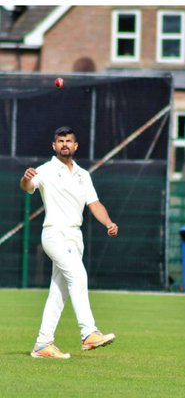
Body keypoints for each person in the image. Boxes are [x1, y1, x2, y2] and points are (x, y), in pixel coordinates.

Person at [20, 126, 119, 359]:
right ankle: (89, 333)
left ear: (76, 146)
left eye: (69, 141)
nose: (65, 144)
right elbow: (28, 188)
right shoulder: (45, 170)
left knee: (58, 293)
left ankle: (42, 344)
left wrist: (108, 223)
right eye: (60, 141)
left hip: (75, 237)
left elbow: (94, 204)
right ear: (54, 146)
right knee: (79, 276)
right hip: (54, 234)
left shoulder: (83, 175)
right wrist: (25, 180)